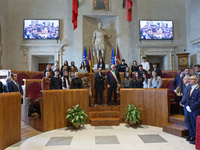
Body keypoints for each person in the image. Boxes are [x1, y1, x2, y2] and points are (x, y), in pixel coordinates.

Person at [184, 75, 200, 145]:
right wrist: (187, 105)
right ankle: (193, 136)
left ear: (196, 80)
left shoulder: (198, 88)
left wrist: (191, 107)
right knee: (192, 123)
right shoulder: (191, 87)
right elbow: (188, 98)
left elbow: (199, 101)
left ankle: (197, 139)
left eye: (191, 79)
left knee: (196, 124)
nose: (189, 80)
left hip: (196, 109)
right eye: (189, 79)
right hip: (190, 109)